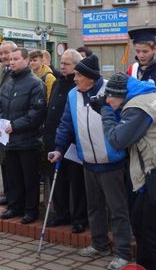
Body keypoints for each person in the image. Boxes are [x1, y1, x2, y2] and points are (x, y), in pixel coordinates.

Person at [95, 73, 156, 270]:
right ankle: (144, 266)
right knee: (139, 224)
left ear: (121, 94)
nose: (108, 100)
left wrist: (106, 111)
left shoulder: (138, 107)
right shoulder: (153, 96)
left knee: (151, 232)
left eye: (109, 96)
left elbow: (118, 140)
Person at [48, 55, 132, 270]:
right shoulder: (72, 94)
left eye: (78, 75)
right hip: (88, 160)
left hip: (111, 161)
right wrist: (59, 149)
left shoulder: (110, 92)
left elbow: (124, 122)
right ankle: (99, 244)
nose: (74, 78)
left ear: (91, 78)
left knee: (117, 209)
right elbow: (66, 124)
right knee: (94, 207)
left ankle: (123, 252)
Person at [0, 47, 46, 224]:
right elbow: (0, 106)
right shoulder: (9, 83)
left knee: (29, 179)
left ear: (26, 60)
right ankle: (15, 207)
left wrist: (15, 126)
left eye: (15, 59)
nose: (11, 62)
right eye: (10, 60)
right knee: (13, 177)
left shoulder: (35, 83)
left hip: (28, 141)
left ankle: (30, 210)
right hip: (10, 141)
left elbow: (36, 113)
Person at [43, 49, 88, 232]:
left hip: (73, 142)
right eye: (61, 62)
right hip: (55, 139)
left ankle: (79, 218)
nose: (62, 66)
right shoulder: (57, 83)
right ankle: (61, 214)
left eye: (67, 64)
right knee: (59, 180)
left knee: (76, 182)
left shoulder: (79, 85)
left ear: (77, 66)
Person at [0, 41, 16, 206]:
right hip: (1, 125)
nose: (4, 56)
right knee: (4, 162)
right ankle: (8, 193)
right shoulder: (1, 73)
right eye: (2, 53)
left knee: (12, 163)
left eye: (7, 53)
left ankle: (13, 195)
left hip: (13, 125)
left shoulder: (16, 72)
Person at [126, 28, 156, 98]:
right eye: (137, 51)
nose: (141, 55)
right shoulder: (133, 70)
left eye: (145, 51)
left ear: (154, 49)